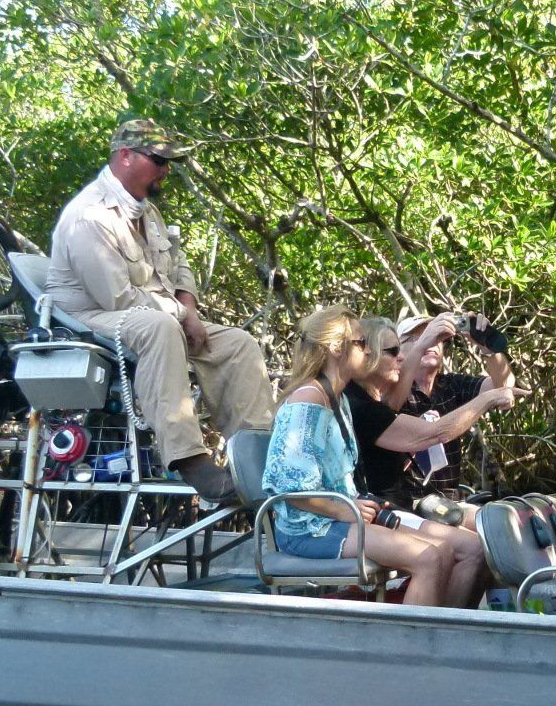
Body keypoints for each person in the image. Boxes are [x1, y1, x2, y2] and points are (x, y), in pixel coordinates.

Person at [43, 117, 273, 503]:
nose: (166, 170)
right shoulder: (90, 217)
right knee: (159, 328)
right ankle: (187, 458)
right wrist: (180, 318)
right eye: (158, 160)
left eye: (169, 162)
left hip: (158, 311)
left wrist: (189, 307)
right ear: (126, 156)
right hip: (90, 317)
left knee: (238, 344)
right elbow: (118, 299)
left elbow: (177, 265)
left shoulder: (144, 208)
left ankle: (255, 459)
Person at [259, 305, 465, 607]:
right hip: (312, 528)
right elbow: (287, 489)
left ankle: (431, 640)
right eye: (361, 343)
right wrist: (344, 510)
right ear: (335, 348)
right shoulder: (308, 399)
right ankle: (404, 651)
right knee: (429, 558)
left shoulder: (338, 397)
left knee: (445, 551)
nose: (369, 351)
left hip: (343, 516)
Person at [343, 314, 507, 606]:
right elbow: (432, 434)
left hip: (414, 503)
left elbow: (503, 387)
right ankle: (434, 637)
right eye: (397, 349)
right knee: (462, 551)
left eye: (433, 340)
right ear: (368, 354)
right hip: (385, 506)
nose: (402, 358)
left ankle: (448, 629)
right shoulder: (375, 399)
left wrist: (490, 347)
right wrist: (486, 400)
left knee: (495, 529)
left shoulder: (379, 397)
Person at [383, 310, 515, 504]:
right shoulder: (388, 387)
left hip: (448, 501)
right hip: (404, 502)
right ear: (399, 352)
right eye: (415, 338)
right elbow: (388, 404)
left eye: (436, 337)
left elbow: (502, 387)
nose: (430, 343)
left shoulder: (450, 385)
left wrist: (488, 347)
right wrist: (423, 343)